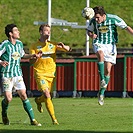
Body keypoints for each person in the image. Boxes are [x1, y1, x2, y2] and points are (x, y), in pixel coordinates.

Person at [87, 6, 133, 105]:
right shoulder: (93, 21)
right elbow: (89, 31)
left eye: (98, 17)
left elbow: (126, 27)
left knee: (108, 70)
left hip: (111, 46)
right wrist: (91, 35)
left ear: (104, 16)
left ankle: (101, 93)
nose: (96, 19)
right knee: (100, 54)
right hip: (98, 42)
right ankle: (102, 79)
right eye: (95, 17)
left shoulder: (113, 18)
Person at [29, 24, 71, 125]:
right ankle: (54, 120)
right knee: (47, 94)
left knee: (48, 97)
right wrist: (35, 57)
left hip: (51, 75)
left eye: (49, 31)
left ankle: (38, 100)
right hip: (40, 73)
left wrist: (64, 46)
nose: (48, 32)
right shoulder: (34, 46)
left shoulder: (53, 44)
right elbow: (30, 62)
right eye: (46, 30)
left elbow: (68, 49)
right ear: (41, 32)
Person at [0, 24, 41, 126]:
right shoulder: (5, 44)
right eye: (16, 31)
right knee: (8, 98)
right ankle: (4, 114)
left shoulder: (19, 44)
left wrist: (33, 55)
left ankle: (33, 120)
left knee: (23, 95)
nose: (19, 32)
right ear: (10, 33)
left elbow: (23, 55)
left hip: (18, 74)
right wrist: (0, 62)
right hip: (6, 75)